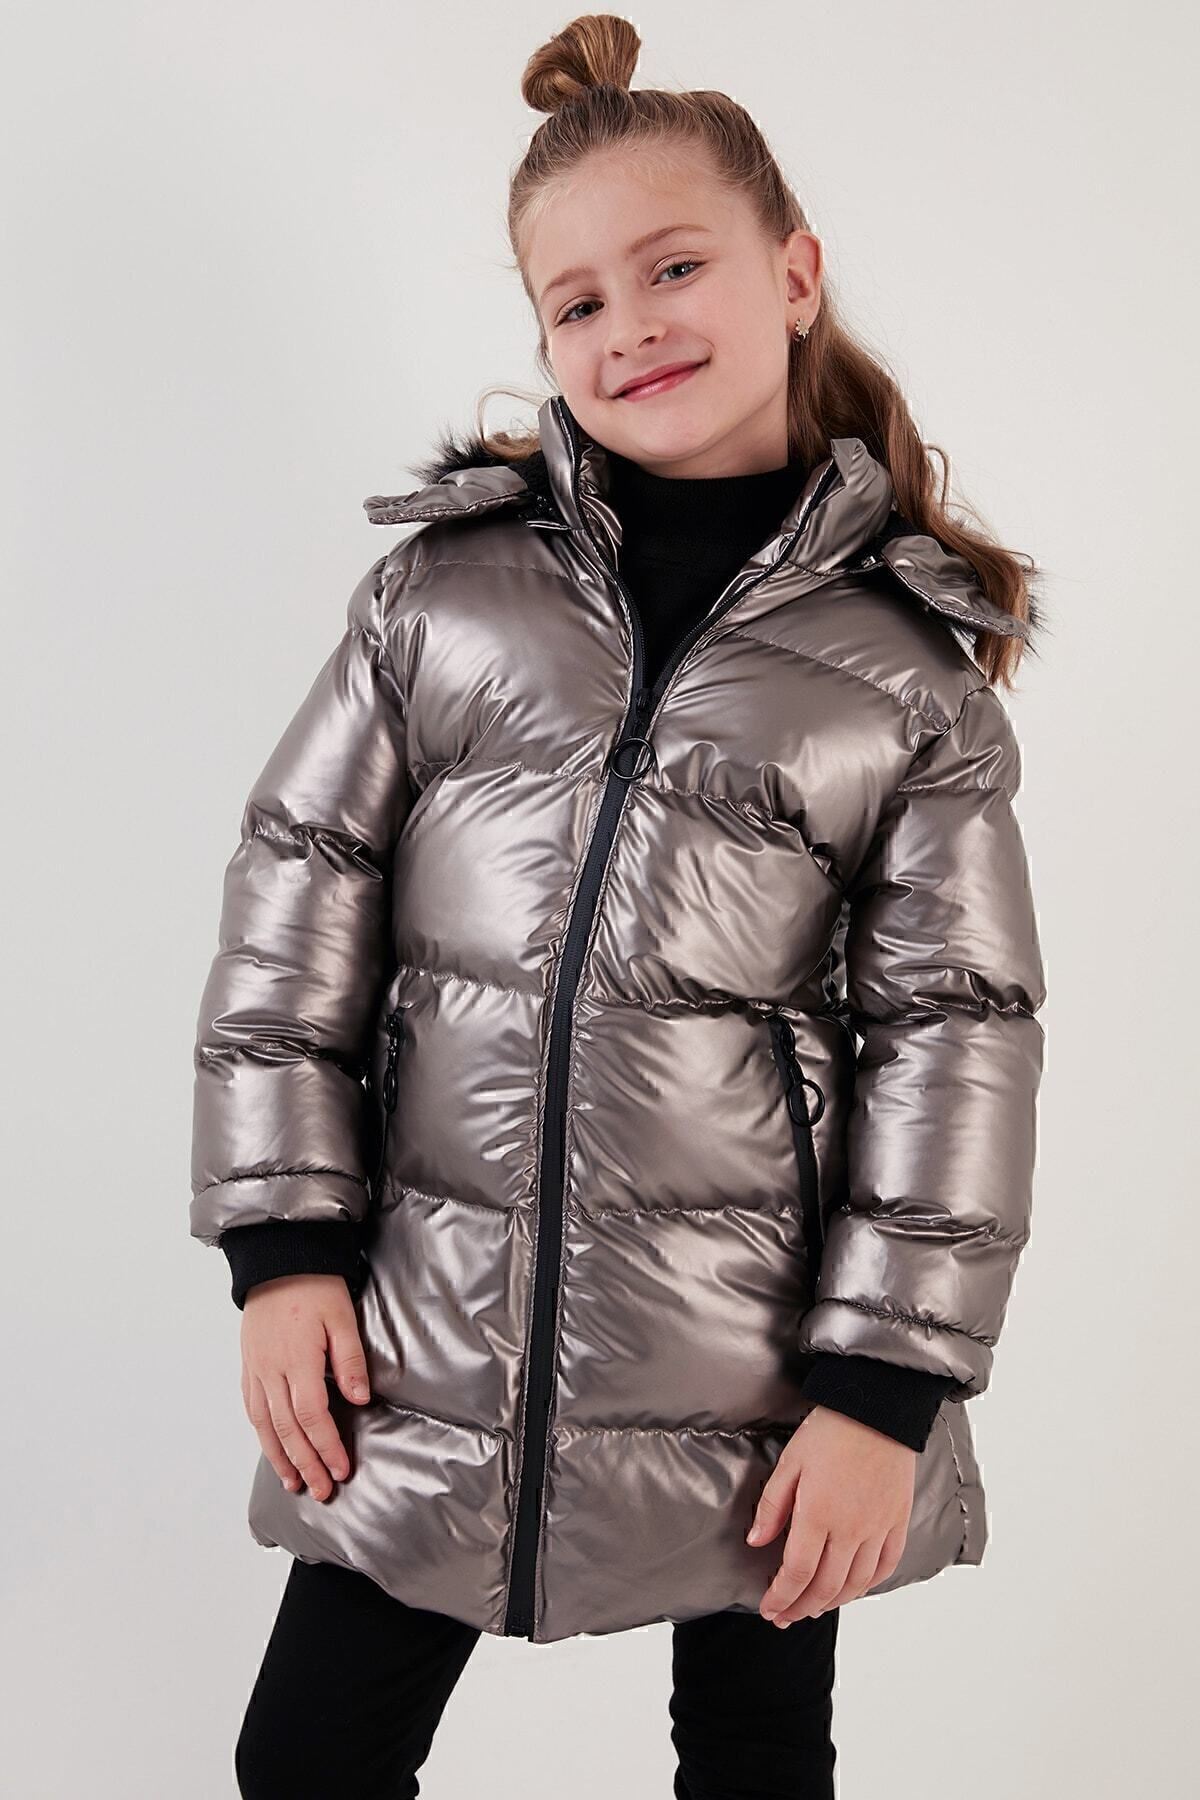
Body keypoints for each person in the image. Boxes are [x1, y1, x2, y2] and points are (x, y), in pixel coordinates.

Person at [189, 14, 1047, 1798]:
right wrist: (282, 1248)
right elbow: (295, 896)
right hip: (423, 1324)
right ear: (543, 343)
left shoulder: (905, 678)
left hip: (762, 1360)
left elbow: (958, 1039)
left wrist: (884, 1390)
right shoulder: (442, 599)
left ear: (793, 274)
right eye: (576, 301)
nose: (630, 324)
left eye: (674, 267)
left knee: (754, 1762)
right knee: (310, 1758)